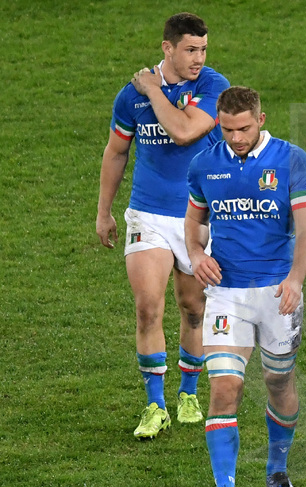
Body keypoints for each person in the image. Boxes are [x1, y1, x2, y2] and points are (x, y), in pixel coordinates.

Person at [185, 86, 306, 487]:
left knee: (278, 383)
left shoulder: (291, 160)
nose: (236, 137)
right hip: (227, 294)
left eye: (243, 128)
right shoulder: (205, 164)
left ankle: (277, 468)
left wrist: (296, 279)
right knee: (225, 390)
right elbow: (194, 221)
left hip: (278, 294)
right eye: (227, 129)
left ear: (261, 119)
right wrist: (197, 255)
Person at [96, 13, 230, 439]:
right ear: (167, 48)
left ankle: (188, 393)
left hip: (198, 217)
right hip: (148, 213)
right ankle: (155, 405)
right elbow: (116, 153)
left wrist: (154, 90)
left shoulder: (212, 86)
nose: (199, 58)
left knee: (193, 308)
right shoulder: (128, 99)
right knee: (147, 307)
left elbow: (186, 131)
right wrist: (104, 211)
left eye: (203, 49)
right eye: (191, 49)